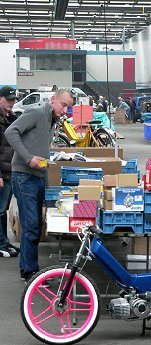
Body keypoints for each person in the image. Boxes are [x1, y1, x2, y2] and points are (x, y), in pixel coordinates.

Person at [5, 89, 73, 282]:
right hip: (24, 176)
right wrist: (27, 158)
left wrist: (46, 178)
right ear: (53, 100)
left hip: (38, 176)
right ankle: (29, 273)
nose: (65, 110)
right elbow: (11, 131)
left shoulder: (53, 120)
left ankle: (31, 269)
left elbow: (39, 146)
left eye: (68, 107)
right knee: (31, 225)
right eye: (63, 104)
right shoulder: (36, 113)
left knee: (37, 224)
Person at [0, 86, 19, 257]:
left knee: (4, 210)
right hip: (2, 172)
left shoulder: (12, 118)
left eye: (13, 99)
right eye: (8, 99)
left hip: (10, 169)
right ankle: (0, 244)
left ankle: (5, 242)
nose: (12, 102)